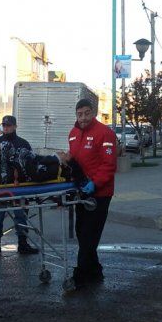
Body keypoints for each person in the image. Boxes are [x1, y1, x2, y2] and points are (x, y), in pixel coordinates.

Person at [63, 98, 118, 289]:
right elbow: (75, 161)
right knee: (81, 232)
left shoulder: (105, 133)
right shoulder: (73, 134)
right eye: (80, 114)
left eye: (87, 113)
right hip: (81, 192)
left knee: (89, 234)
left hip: (100, 193)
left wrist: (95, 183)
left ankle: (80, 276)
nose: (83, 118)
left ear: (93, 113)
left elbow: (109, 165)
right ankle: (95, 270)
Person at [0, 115, 39, 257]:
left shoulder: (23, 144)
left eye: (9, 125)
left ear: (15, 126)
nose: (6, 128)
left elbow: (31, 164)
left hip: (18, 187)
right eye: (4, 125)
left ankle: (23, 244)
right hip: (0, 188)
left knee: (21, 215)